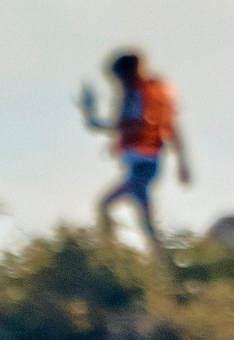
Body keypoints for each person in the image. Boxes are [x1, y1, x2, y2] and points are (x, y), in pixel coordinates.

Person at [79, 51, 191, 245]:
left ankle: (112, 256)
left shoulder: (135, 96)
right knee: (145, 221)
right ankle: (162, 263)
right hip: (142, 166)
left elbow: (132, 125)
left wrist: (93, 117)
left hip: (142, 167)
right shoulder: (139, 95)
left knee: (106, 206)